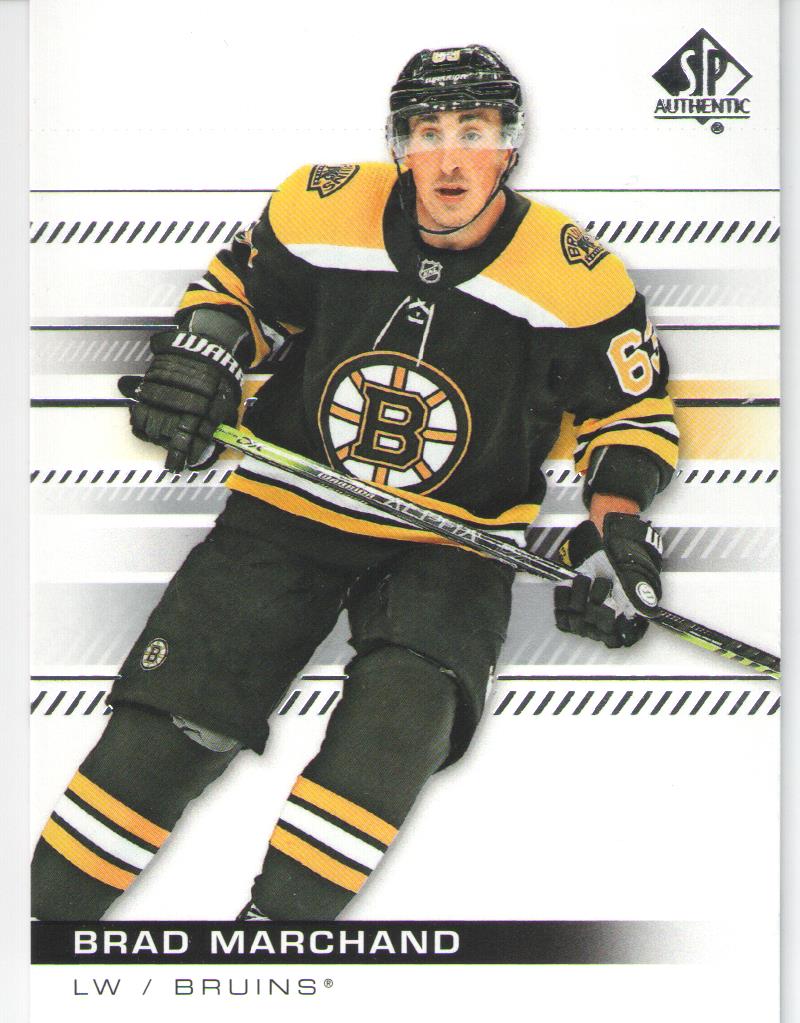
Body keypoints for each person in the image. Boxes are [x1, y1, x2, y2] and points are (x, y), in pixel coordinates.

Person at [32, 44, 677, 921]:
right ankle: (38, 931)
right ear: (398, 142)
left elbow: (630, 416)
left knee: (397, 725)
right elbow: (239, 296)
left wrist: (614, 527)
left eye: (473, 131)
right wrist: (207, 352)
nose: (449, 159)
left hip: (453, 543)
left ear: (510, 144)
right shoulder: (319, 205)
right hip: (285, 510)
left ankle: (279, 941)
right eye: (427, 132)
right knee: (166, 732)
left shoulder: (575, 273)